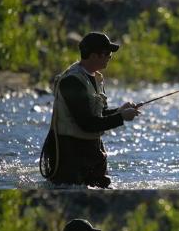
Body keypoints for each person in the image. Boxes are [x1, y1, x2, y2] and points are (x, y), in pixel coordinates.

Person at [40, 32, 140, 188]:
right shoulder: (72, 81)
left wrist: (119, 111)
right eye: (107, 53)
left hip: (93, 149)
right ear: (93, 56)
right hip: (70, 153)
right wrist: (121, 118)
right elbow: (86, 123)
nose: (110, 57)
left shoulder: (97, 78)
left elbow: (98, 115)